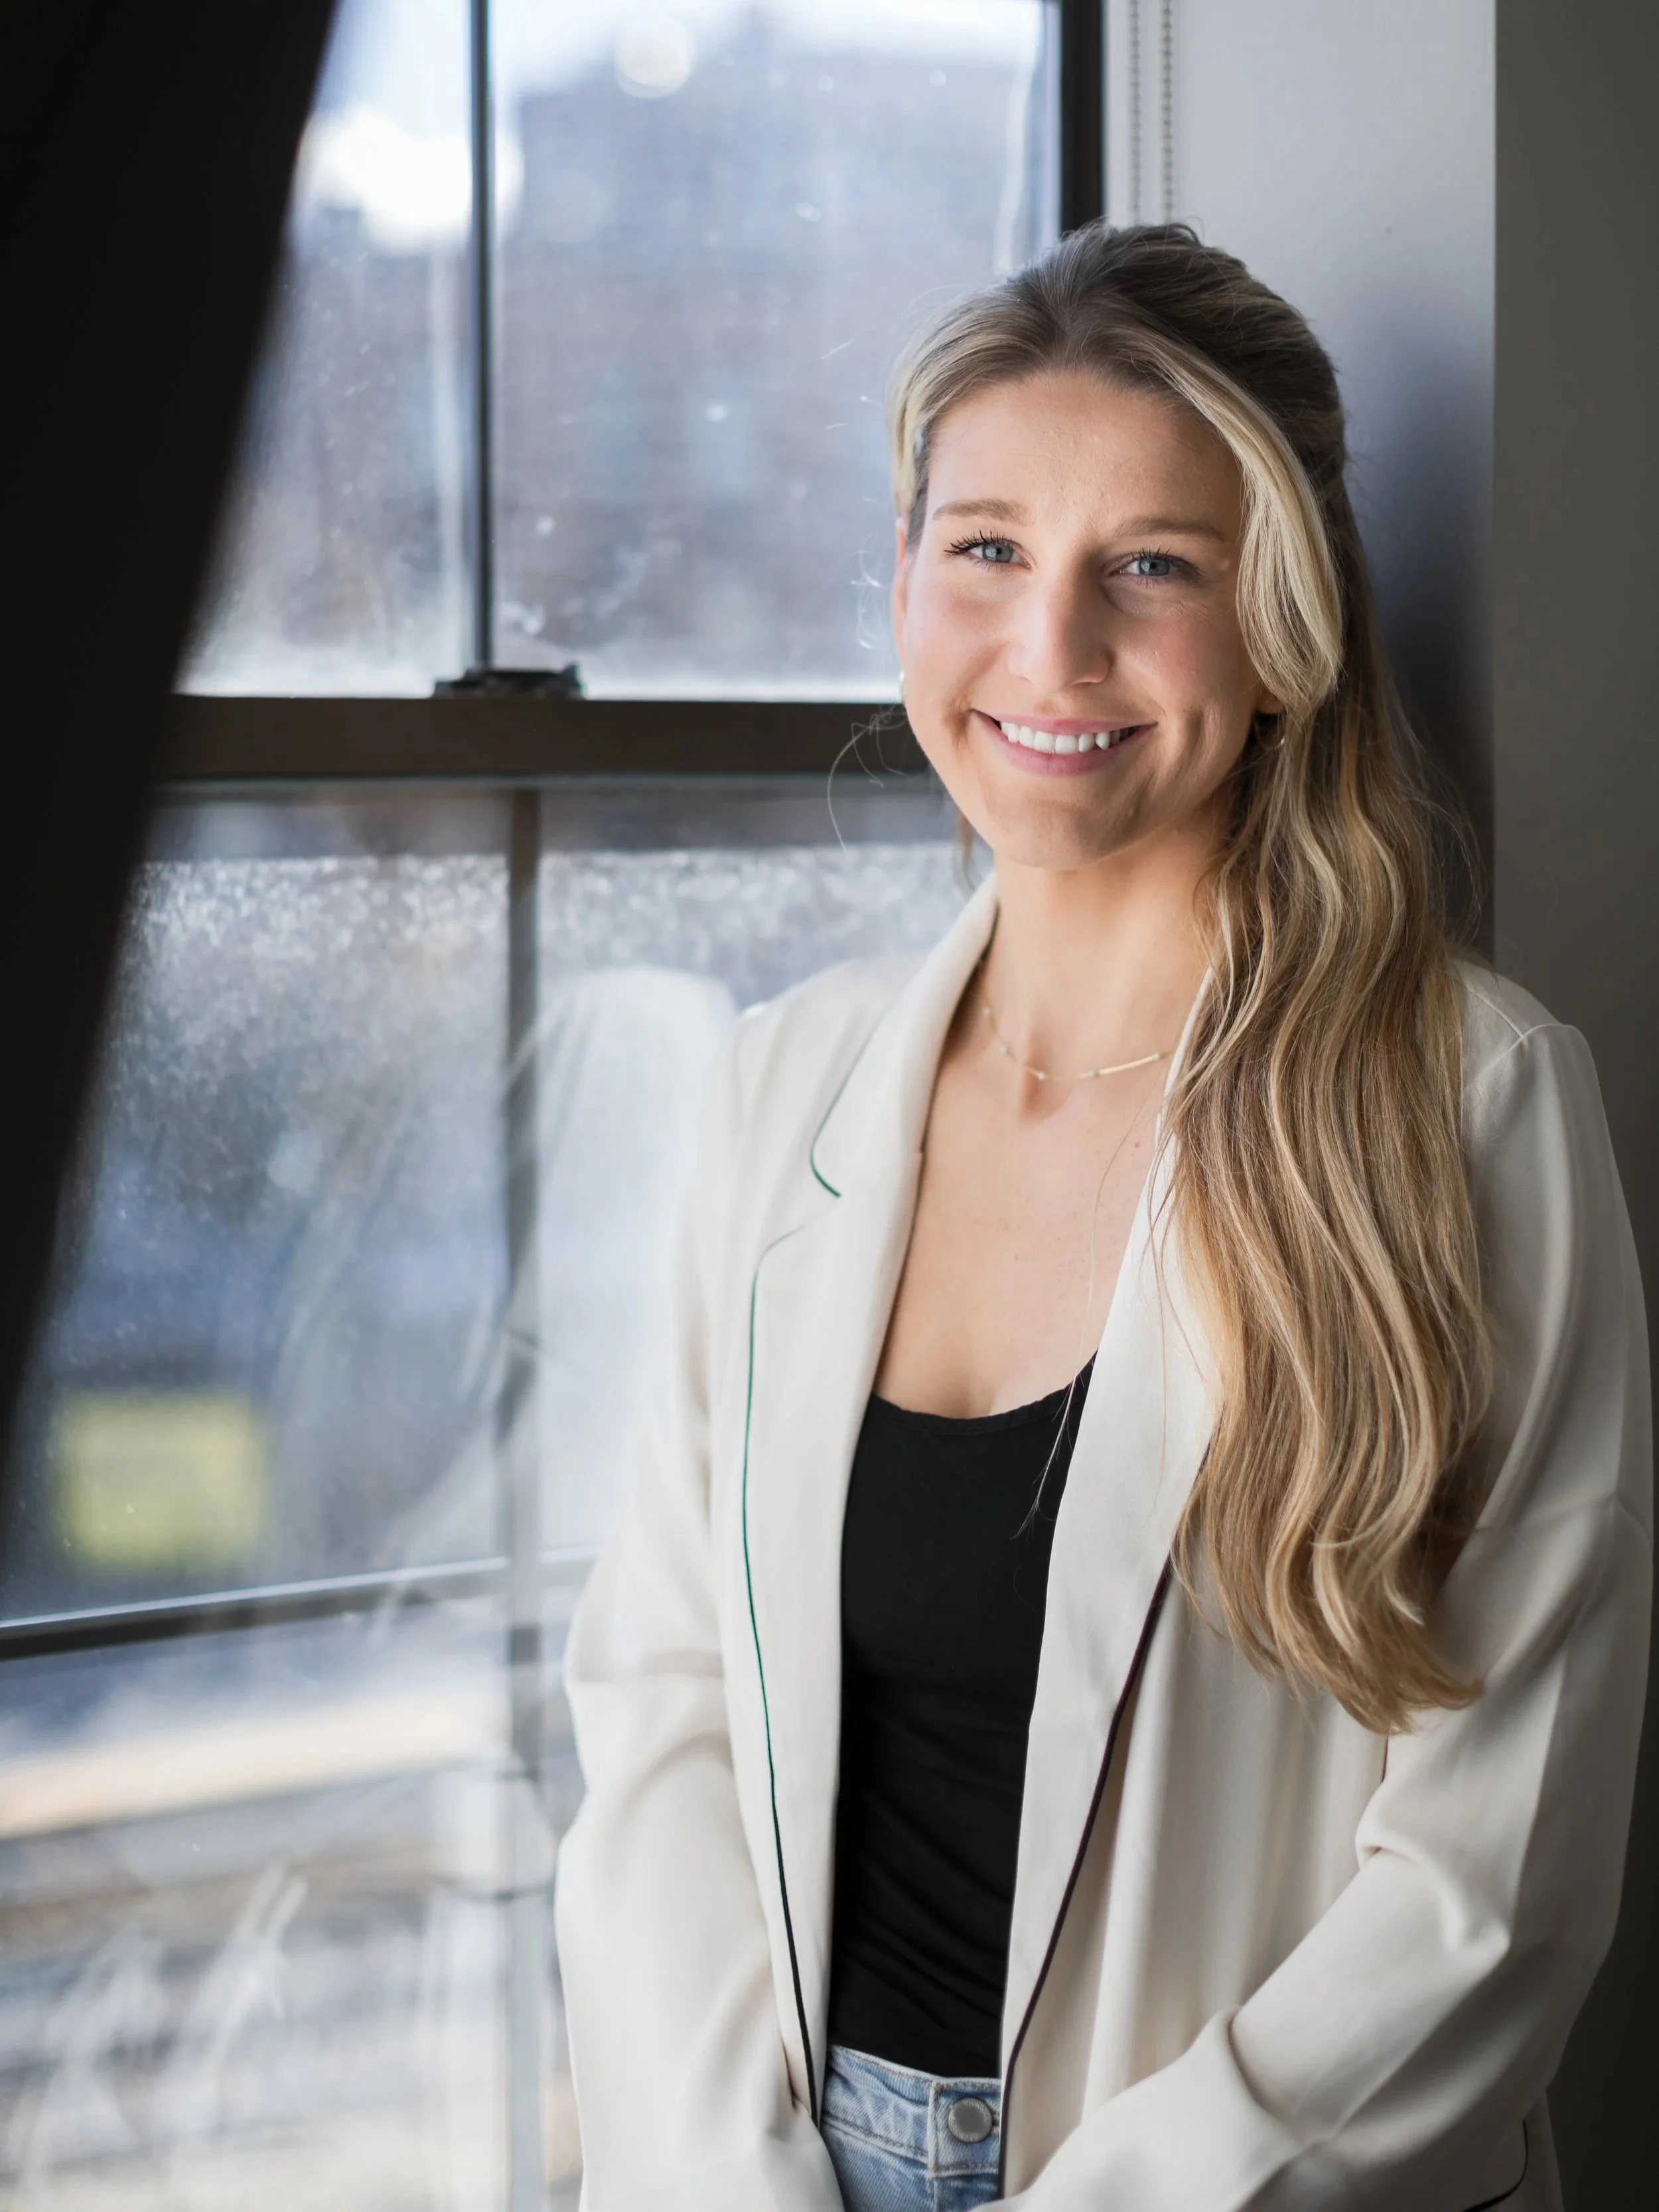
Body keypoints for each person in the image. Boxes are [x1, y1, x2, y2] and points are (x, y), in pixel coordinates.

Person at [553, 224, 1650, 2212]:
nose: (1049, 650)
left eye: (1152, 566)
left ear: (1280, 625)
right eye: (982, 547)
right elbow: (659, 1721)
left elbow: (1492, 1886)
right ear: (902, 582)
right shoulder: (778, 1088)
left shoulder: (1466, 1108)